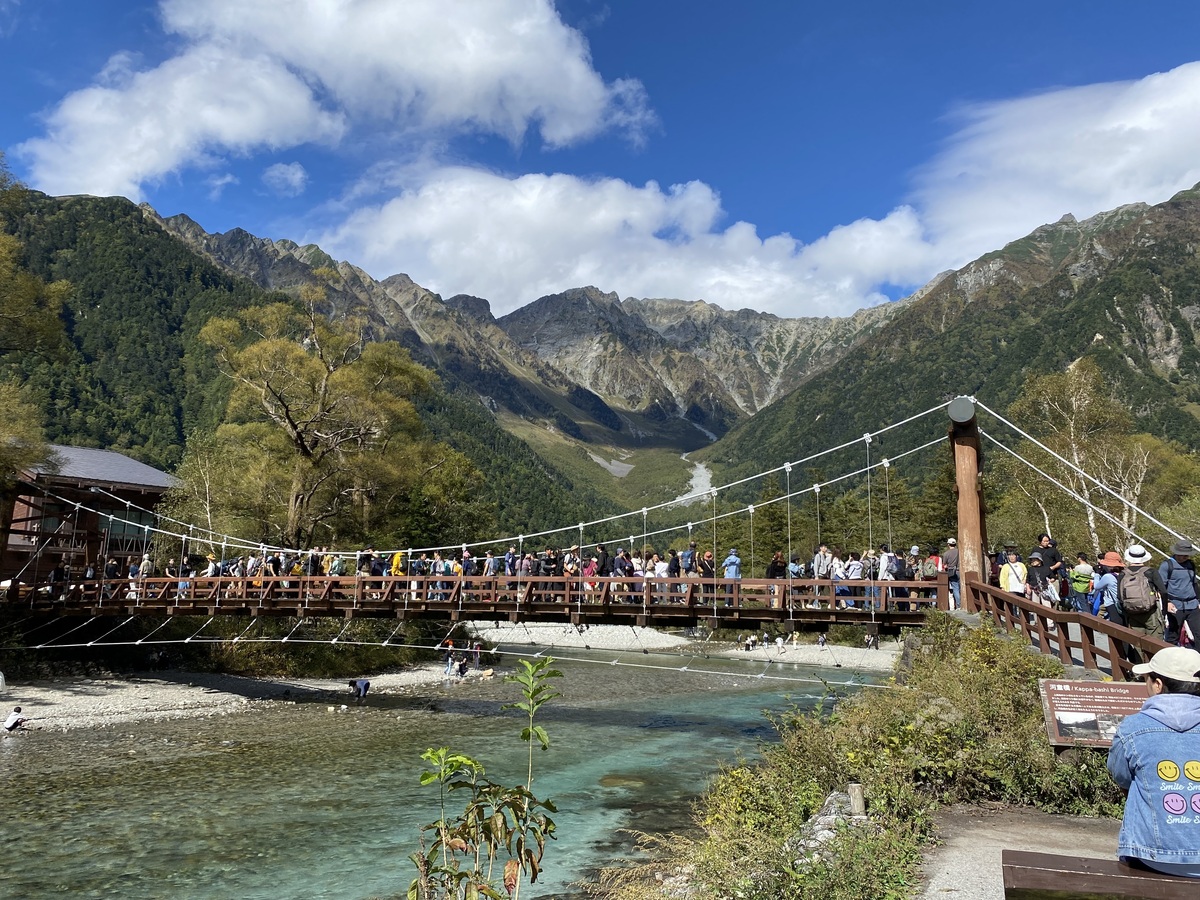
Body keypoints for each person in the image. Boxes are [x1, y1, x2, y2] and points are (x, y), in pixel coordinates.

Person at [1106, 646, 1200, 878]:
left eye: (1148, 679)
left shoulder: (1133, 728)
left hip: (1152, 858)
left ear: (1158, 685)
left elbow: (1120, 776)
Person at [1159, 541, 1200, 648]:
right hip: (1175, 605)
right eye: (1183, 554)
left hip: (1192, 604)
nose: (1186, 557)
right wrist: (1166, 603)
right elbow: (1160, 587)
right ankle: (1170, 661)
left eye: (1187, 554)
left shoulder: (1190, 565)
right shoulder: (1167, 565)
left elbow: (1194, 584)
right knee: (1173, 635)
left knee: (1199, 634)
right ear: (1177, 553)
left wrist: (1199, 600)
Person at [943, 538, 960, 610]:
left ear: (948, 544)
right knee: (961, 588)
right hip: (960, 571)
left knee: (955, 589)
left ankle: (959, 605)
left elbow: (944, 565)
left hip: (951, 572)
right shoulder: (959, 551)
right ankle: (961, 605)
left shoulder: (946, 553)